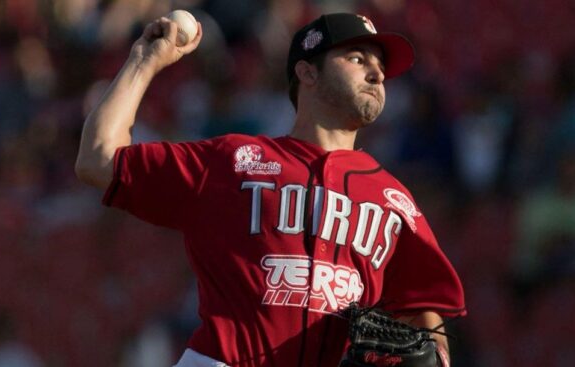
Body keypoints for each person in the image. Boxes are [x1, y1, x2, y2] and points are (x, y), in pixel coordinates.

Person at [75, 12, 466, 367]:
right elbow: (98, 159)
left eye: (380, 66)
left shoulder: (391, 198)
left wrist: (440, 356)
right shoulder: (234, 160)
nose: (378, 74)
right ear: (308, 73)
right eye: (358, 59)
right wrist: (144, 61)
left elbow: (422, 307)